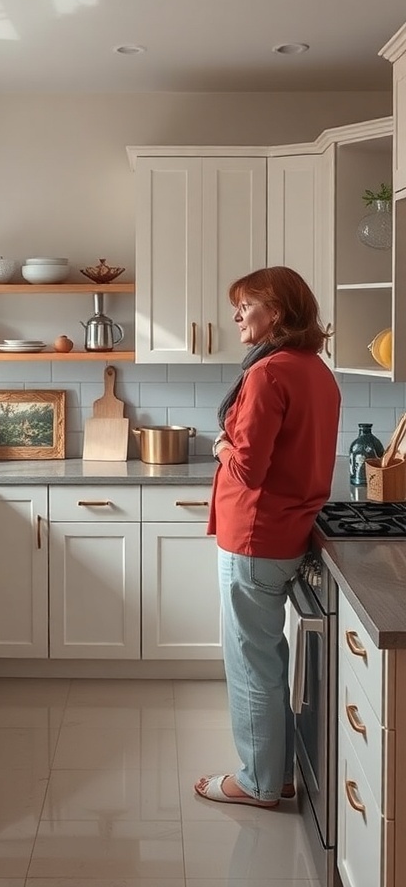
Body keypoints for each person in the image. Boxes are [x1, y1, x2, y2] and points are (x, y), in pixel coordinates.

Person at [194, 266, 340, 809]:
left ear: (274, 313)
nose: (236, 316)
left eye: (246, 305)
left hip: (253, 537)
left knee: (251, 663)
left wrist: (221, 448)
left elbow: (249, 469)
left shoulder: (268, 373)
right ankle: (275, 773)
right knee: (268, 657)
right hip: (288, 532)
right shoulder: (315, 370)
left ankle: (256, 784)